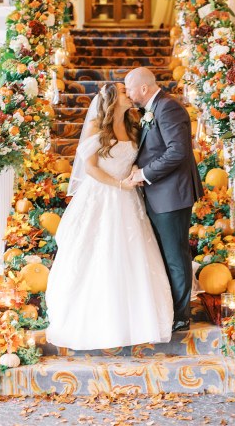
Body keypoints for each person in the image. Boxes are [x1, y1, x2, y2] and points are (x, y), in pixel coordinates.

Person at [45, 82, 173, 350]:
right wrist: (118, 185)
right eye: (125, 91)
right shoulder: (96, 128)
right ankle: (98, 321)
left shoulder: (133, 125)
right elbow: (90, 168)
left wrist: (134, 174)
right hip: (102, 195)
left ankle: (137, 321)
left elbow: (137, 157)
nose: (130, 93)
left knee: (132, 255)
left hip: (128, 197)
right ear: (113, 100)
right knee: (100, 254)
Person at [125, 67, 204, 332]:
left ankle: (181, 316)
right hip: (160, 194)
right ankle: (171, 309)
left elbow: (177, 152)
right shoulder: (153, 109)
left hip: (172, 195)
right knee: (166, 255)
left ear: (144, 88)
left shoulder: (169, 108)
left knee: (175, 256)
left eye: (129, 88)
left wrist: (144, 174)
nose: (127, 93)